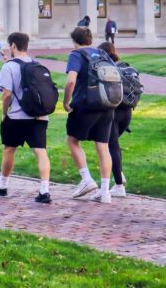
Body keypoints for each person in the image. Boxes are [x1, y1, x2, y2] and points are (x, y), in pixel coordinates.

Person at [0, 32, 52, 203]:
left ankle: (3, 186)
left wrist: (4, 114)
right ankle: (44, 190)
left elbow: (7, 95)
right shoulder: (36, 64)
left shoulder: (9, 66)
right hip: (40, 115)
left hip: (17, 116)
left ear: (13, 45)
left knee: (9, 149)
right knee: (40, 151)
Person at [64, 26, 115, 203]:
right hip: (107, 105)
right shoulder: (103, 54)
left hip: (85, 105)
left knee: (72, 140)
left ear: (74, 41)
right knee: (103, 147)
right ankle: (105, 192)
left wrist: (65, 101)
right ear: (90, 40)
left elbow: (71, 81)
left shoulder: (76, 55)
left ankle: (86, 180)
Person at [98, 42, 131, 198]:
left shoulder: (106, 69)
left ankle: (119, 185)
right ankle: (120, 174)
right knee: (114, 146)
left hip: (114, 112)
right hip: (127, 113)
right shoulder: (123, 66)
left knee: (112, 147)